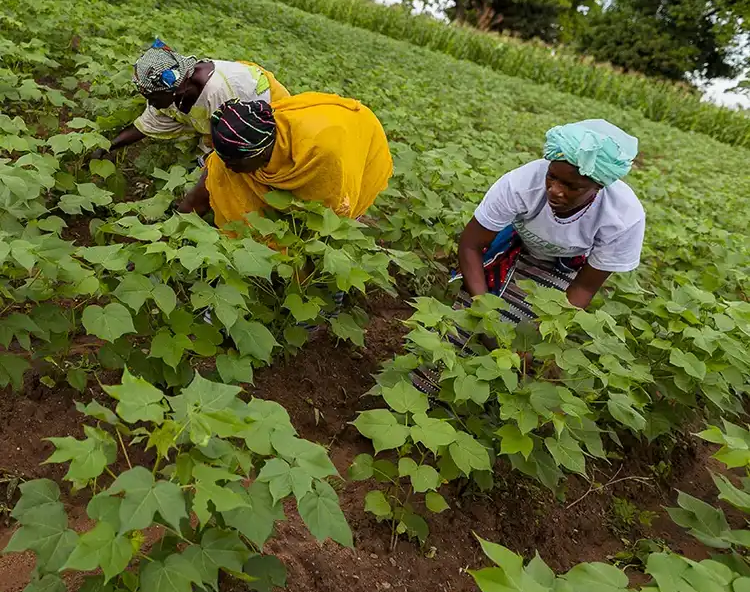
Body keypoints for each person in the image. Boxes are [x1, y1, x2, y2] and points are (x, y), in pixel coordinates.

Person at [411, 118, 645, 395]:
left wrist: (535, 341)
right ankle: (424, 392)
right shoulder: (522, 184)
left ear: (598, 188)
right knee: (463, 328)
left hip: (566, 264)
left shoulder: (623, 217)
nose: (555, 190)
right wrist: (483, 310)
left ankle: (485, 403)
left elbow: (583, 287)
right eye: (552, 177)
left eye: (573, 187)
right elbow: (471, 246)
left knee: (522, 345)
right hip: (513, 245)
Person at [177, 93, 393, 223]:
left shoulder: (320, 155)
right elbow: (203, 190)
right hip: (323, 129)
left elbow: (330, 218)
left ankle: (332, 291)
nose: (229, 169)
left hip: (359, 137)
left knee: (325, 232)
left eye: (233, 164)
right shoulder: (244, 142)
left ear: (259, 153)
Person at [90, 39, 289, 160]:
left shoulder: (217, 93)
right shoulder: (170, 91)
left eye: (151, 97)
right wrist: (107, 147)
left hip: (267, 107)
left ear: (171, 90)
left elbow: (230, 142)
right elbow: (147, 124)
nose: (150, 103)